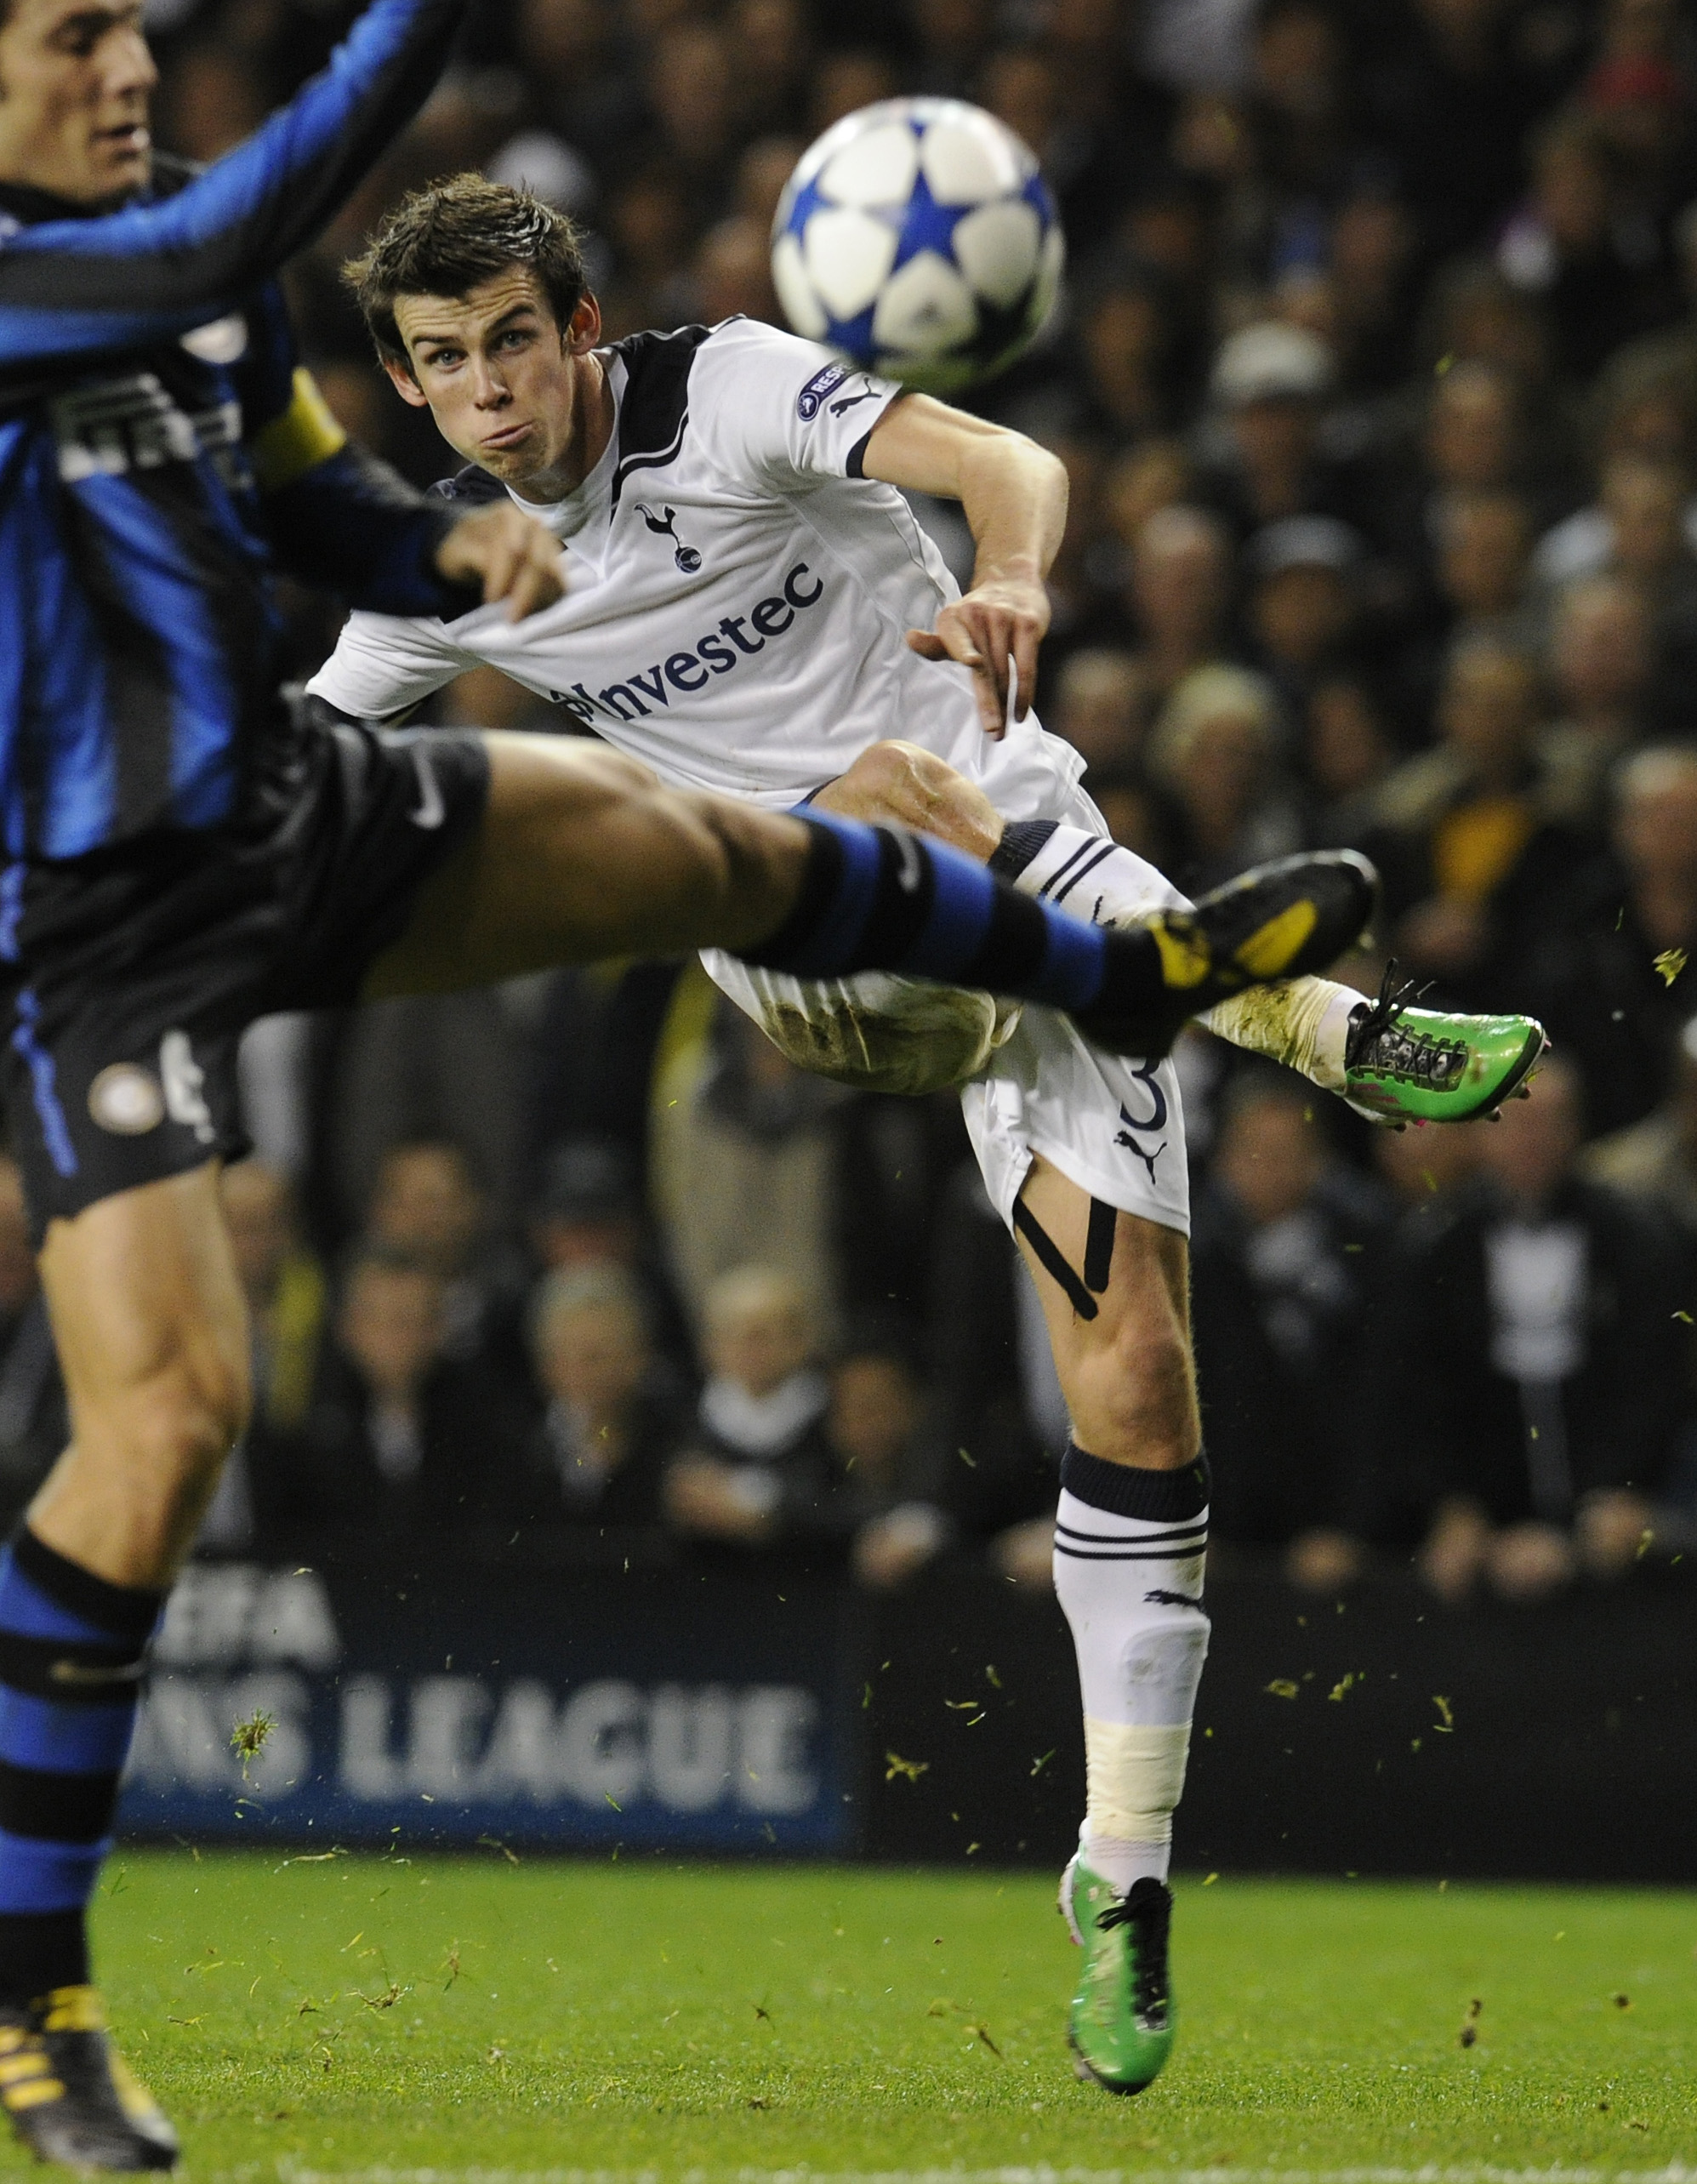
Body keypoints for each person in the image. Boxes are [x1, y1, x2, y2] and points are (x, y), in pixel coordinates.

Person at [0, 19, 1380, 2180]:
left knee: (752, 904)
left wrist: (429, 557)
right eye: (75, 29)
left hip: (441, 835)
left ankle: (1152, 979)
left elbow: (320, 515)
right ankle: (33, 2000)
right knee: (172, 1415)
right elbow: (258, 271)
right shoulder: (84, 268)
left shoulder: (343, 341)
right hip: (202, 918)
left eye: (497, 356)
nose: (129, 58)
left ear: (564, 333)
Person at [309, 175, 1540, 2098]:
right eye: (442, 363)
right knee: (893, 791)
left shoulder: (723, 392)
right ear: (403, 380)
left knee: (1135, 1379)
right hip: (811, 946)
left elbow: (1000, 457)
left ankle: (1117, 1882)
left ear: (575, 324)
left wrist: (1019, 570)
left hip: (1046, 902)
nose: (485, 394)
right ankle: (1311, 1018)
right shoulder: (436, 565)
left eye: (511, 345)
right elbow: (288, 787)